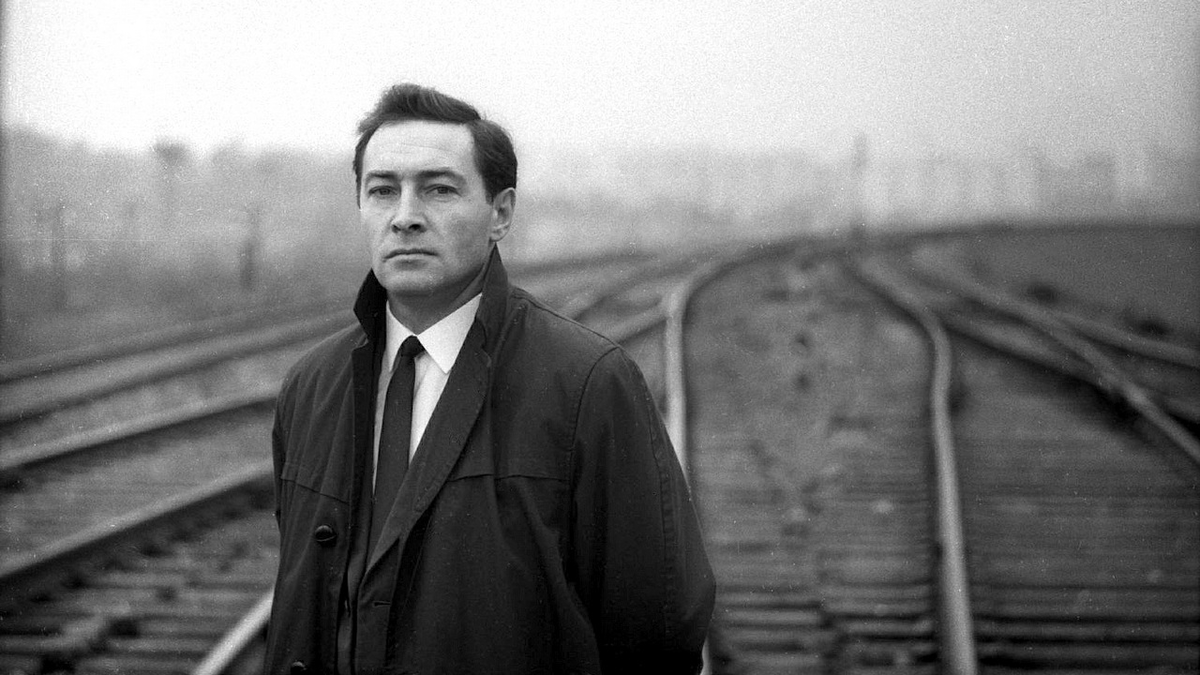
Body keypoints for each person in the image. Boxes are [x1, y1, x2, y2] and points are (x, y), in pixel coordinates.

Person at [263, 83, 714, 674]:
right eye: (382, 190)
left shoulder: (587, 385)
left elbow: (657, 628)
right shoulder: (311, 387)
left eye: (439, 190)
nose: (405, 217)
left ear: (500, 213)